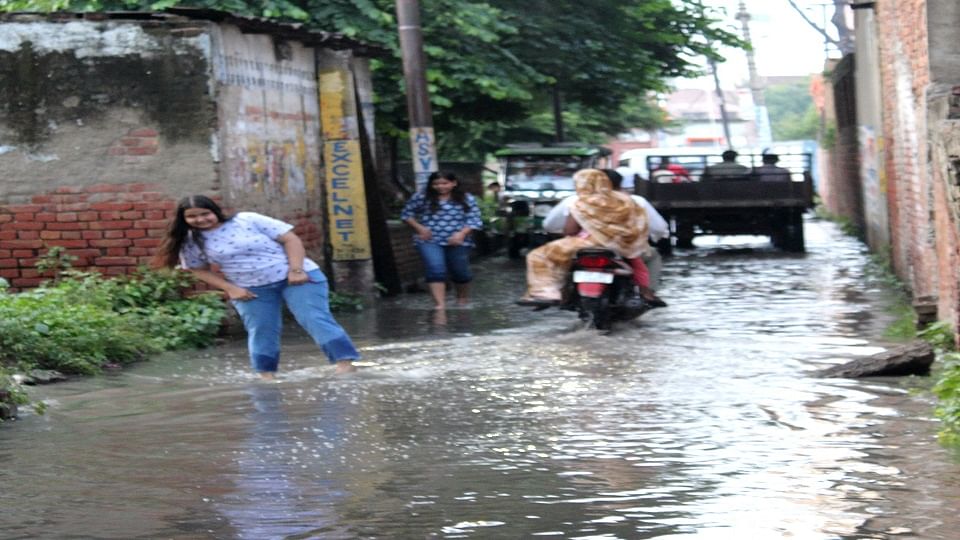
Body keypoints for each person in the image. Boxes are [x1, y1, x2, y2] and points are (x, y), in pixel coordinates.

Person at [153, 195, 360, 380]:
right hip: (249, 288)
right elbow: (198, 269)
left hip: (297, 277)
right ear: (184, 219)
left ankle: (344, 366)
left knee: (313, 318)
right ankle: (266, 377)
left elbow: (290, 239)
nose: (200, 219)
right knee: (261, 329)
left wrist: (296, 270)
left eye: (205, 214)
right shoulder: (191, 241)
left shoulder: (247, 220)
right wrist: (230, 288)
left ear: (215, 211)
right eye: (192, 216)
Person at [519, 169, 652, 304]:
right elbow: (641, 225)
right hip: (624, 245)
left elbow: (570, 231)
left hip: (588, 243)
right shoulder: (628, 201)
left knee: (538, 256)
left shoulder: (582, 202)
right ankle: (645, 293)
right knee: (638, 264)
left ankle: (546, 292)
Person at [401, 171, 483, 309]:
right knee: (435, 269)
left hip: (457, 240)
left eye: (444, 183)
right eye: (436, 184)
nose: (440, 187)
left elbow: (475, 220)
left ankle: (462, 299)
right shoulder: (421, 197)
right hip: (429, 240)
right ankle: (440, 304)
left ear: (453, 183)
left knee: (460, 272)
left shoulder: (466, 198)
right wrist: (419, 228)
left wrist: (462, 234)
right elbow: (406, 214)